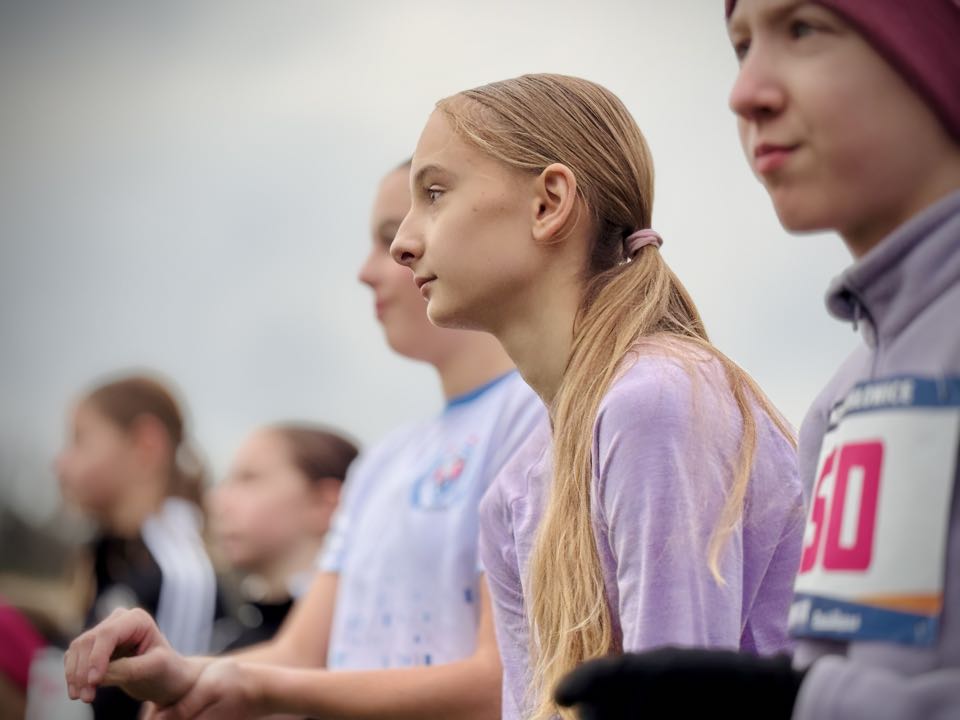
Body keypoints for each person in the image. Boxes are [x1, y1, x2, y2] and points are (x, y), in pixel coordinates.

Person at [554, 2, 960, 719]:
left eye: (804, 29)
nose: (746, 92)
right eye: (741, 46)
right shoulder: (846, 396)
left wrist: (789, 702)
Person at [387, 73, 804, 720]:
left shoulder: (658, 402)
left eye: (436, 193)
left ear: (549, 202)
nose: (402, 243)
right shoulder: (515, 492)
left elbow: (676, 707)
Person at [62, 161, 546, 719]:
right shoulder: (383, 463)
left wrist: (247, 687)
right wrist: (181, 675)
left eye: (390, 239)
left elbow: (504, 680)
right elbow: (299, 654)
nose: (370, 270)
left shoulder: (535, 419)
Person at [56, 374, 218, 719]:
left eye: (79, 440)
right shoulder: (110, 553)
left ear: (146, 445)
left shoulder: (180, 571)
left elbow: (175, 708)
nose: (61, 463)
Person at [209, 423, 357, 652]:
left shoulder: (353, 647)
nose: (219, 501)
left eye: (249, 479)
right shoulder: (233, 638)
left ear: (324, 504)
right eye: (226, 482)